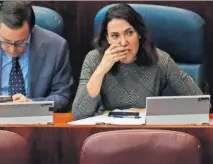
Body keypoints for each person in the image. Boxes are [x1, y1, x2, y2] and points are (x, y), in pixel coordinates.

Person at [72, 3, 203, 120]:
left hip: (149, 133)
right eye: (115, 36)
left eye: (129, 33)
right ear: (107, 38)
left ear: (139, 34)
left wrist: (149, 111)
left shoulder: (160, 59)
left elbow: (200, 103)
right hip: (109, 134)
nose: (123, 42)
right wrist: (100, 71)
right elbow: (79, 113)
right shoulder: (94, 59)